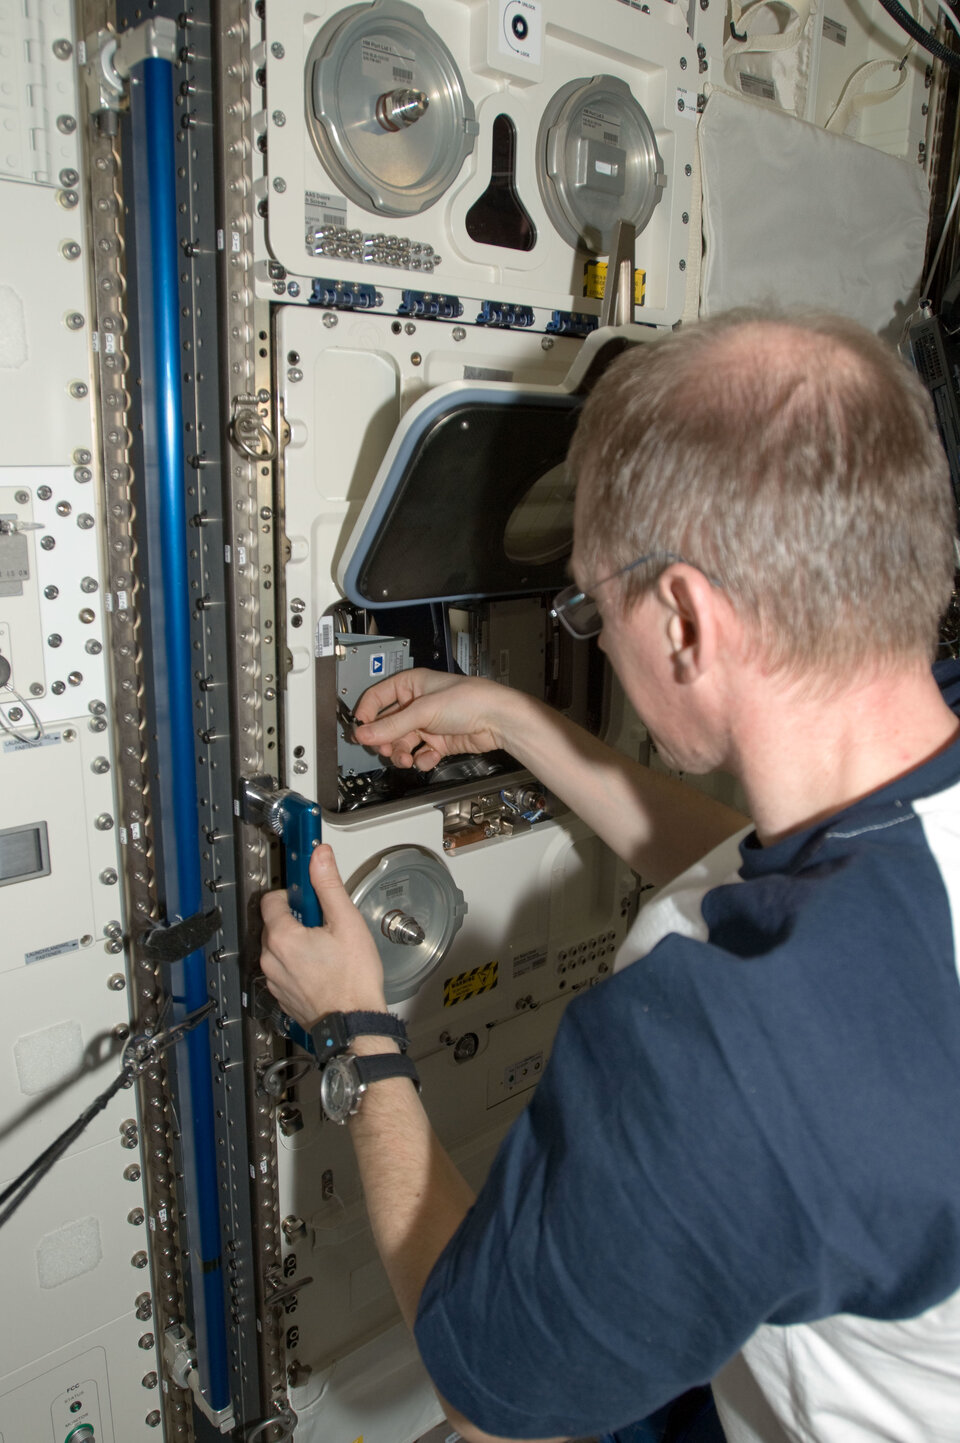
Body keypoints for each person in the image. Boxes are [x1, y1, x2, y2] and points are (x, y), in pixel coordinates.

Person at [260, 310, 960, 1443]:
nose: (594, 640)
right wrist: (515, 723)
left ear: (685, 617)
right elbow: (761, 866)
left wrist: (354, 1026)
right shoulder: (902, 810)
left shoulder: (735, 1057)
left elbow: (492, 1403)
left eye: (591, 608)